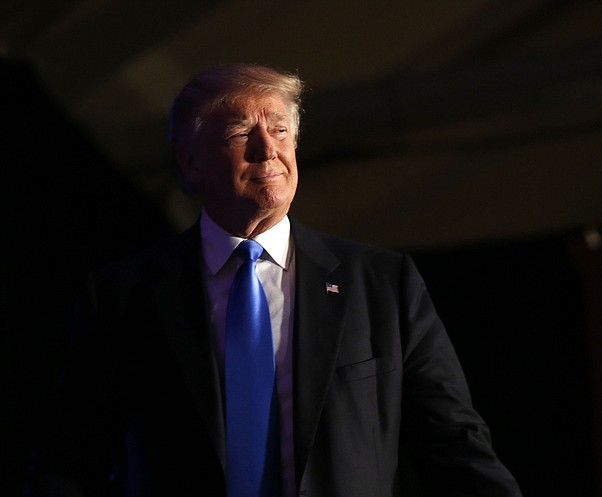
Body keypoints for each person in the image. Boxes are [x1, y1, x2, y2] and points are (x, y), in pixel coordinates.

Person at [40, 63, 523, 497]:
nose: (267, 149)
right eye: (238, 133)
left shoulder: (381, 283)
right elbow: (71, 459)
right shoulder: (124, 295)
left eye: (280, 131)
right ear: (190, 163)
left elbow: (452, 443)